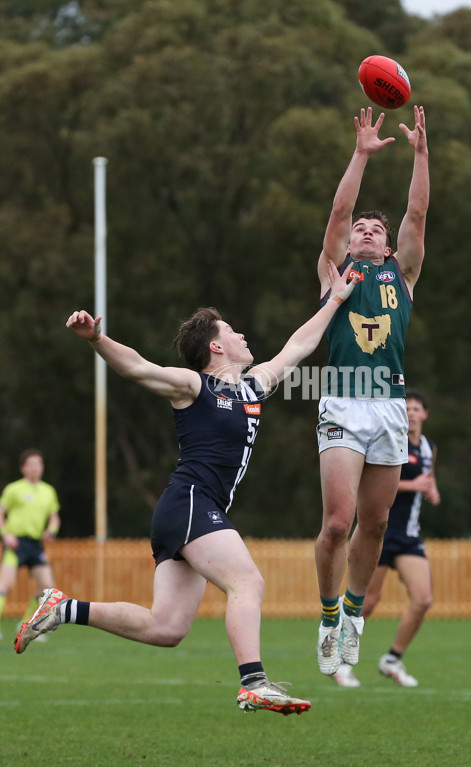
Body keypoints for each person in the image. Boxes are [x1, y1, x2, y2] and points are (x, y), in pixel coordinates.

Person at [15, 260, 358, 717]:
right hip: (190, 502)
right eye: (233, 331)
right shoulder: (194, 385)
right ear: (216, 345)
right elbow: (138, 368)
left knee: (167, 627)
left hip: (192, 510)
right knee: (247, 582)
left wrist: (337, 298)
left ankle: (62, 608)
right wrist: (97, 339)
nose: (243, 337)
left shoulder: (254, 386)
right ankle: (254, 682)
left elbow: (300, 344)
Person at [315, 105, 429, 676]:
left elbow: (416, 212)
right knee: (338, 523)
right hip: (340, 397)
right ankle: (330, 612)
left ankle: (355, 614)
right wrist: (360, 152)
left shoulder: (400, 277)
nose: (366, 229)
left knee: (376, 523)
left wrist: (421, 156)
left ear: (388, 249)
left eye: (375, 229)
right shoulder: (336, 272)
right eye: (362, 226)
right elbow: (338, 210)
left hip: (386, 406)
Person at [333, 389, 440, 688]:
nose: (412, 413)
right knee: (367, 601)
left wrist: (431, 489)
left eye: (418, 408)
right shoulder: (390, 439)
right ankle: (339, 660)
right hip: (379, 531)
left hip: (408, 535)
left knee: (423, 599)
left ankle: (392, 659)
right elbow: (374, 484)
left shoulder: (429, 447)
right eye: (407, 407)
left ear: (425, 415)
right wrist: (414, 485)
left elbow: (426, 479)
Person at [0, 449, 61, 642]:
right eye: (32, 464)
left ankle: (26, 623)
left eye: (39, 464)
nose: (36, 468)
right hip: (16, 543)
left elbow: (54, 518)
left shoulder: (48, 491)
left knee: (48, 587)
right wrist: (5, 535)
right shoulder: (13, 489)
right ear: (23, 468)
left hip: (36, 544)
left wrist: (51, 530)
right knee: (5, 585)